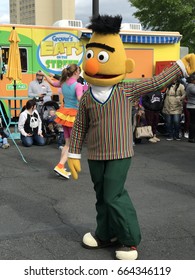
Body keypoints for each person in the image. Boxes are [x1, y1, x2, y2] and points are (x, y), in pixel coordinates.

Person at [67, 14, 195, 261]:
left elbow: (156, 82)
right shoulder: (86, 97)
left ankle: (129, 239)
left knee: (114, 195)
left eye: (101, 57)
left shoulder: (126, 90)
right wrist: (73, 154)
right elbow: (80, 126)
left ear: (122, 63)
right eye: (91, 56)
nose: (94, 64)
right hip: (95, 154)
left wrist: (180, 67)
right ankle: (105, 234)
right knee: (101, 195)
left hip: (119, 154)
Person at [42, 64, 83, 178]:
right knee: (71, 144)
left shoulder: (63, 82)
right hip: (73, 115)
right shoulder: (78, 85)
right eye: (79, 70)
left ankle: (62, 168)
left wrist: (44, 73)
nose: (80, 72)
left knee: (67, 143)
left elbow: (51, 83)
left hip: (64, 114)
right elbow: (80, 99)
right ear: (75, 73)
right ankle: (60, 165)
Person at [185, 73, 195, 143]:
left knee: (192, 122)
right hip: (193, 106)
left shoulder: (188, 86)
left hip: (190, 106)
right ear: (192, 80)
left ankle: (191, 137)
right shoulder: (191, 87)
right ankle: (191, 137)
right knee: (193, 123)